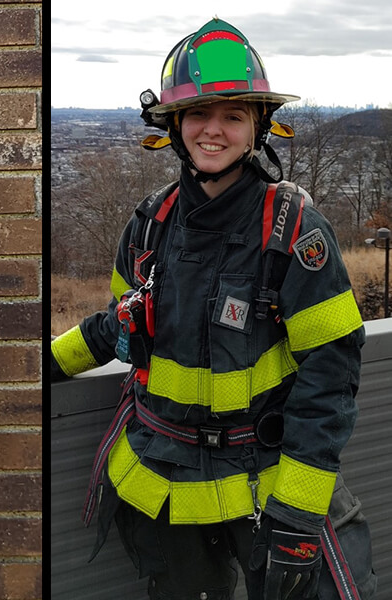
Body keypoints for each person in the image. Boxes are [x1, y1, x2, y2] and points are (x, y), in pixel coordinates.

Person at [49, 19, 376, 600]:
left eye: (233, 115)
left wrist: (298, 515)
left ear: (258, 127)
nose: (213, 130)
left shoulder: (294, 231)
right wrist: (47, 363)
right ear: (174, 127)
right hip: (162, 476)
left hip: (267, 478)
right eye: (198, 115)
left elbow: (331, 377)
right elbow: (120, 324)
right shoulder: (149, 224)